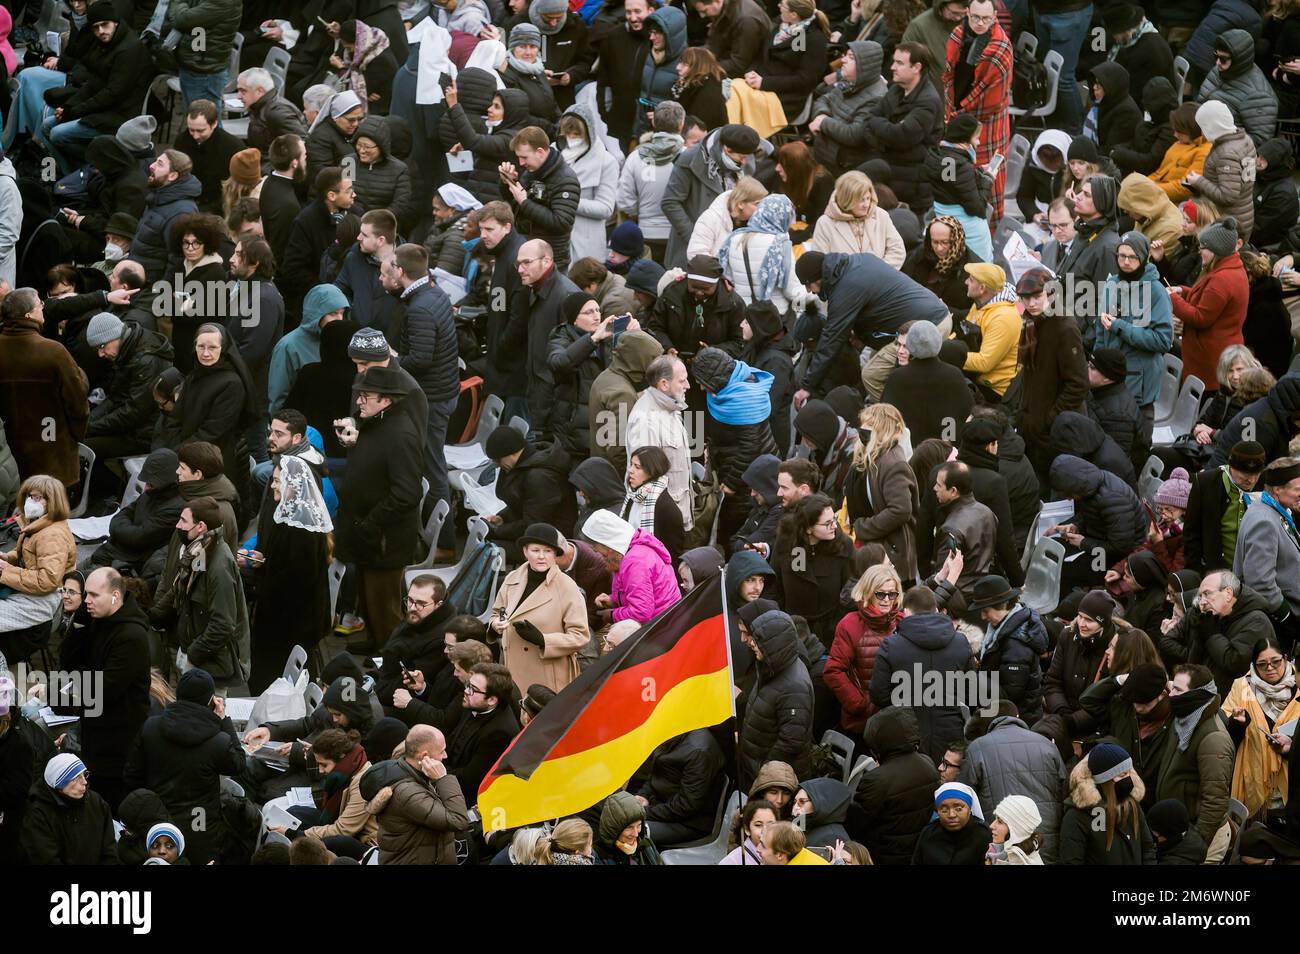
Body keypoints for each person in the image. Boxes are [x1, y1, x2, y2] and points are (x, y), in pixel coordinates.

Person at [335, 366, 424, 646]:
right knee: (369, 597)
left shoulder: (400, 434)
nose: (359, 401)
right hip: (368, 535)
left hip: (385, 539)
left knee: (384, 605)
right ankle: (376, 641)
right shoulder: (379, 423)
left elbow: (407, 493)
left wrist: (371, 522)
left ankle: (389, 657)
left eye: (366, 396)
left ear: (386, 400)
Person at [122, 667, 243, 865]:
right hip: (200, 822)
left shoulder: (151, 727)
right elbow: (238, 764)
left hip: (159, 817)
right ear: (211, 701)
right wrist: (223, 720)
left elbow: (132, 775)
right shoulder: (218, 741)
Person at [244, 456, 333, 694]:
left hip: (289, 624)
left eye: (277, 481)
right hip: (284, 618)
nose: (272, 486)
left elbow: (296, 580)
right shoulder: (290, 515)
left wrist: (264, 570)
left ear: (293, 485)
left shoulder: (300, 528)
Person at [38, 2, 150, 173]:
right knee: (46, 125)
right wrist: (69, 107)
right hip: (100, 109)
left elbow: (112, 94)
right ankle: (71, 174)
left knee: (57, 134)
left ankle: (97, 168)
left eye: (105, 25)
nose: (101, 31)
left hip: (119, 114)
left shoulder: (129, 49)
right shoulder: (104, 44)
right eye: (96, 27)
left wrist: (75, 111)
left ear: (115, 22)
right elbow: (93, 83)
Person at [870, 585, 972, 762]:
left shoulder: (891, 646)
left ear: (907, 611)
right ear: (937, 609)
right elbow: (971, 690)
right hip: (951, 733)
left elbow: (879, 695)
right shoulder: (961, 642)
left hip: (906, 735)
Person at [1088, 233, 1176, 441]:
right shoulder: (1112, 284)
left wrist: (1121, 327)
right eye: (1121, 255)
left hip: (1138, 388)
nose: (1126, 261)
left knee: (1135, 449)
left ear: (1144, 258)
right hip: (1108, 383)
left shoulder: (1156, 292)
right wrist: (1096, 364)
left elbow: (1163, 340)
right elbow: (1102, 328)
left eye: (1132, 257)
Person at [0, 288, 89, 487]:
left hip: (9, 453)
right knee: (52, 511)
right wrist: (76, 434)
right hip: (52, 452)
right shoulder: (53, 351)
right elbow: (77, 400)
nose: (43, 307)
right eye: (39, 303)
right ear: (29, 315)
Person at [489, 523, 590, 694]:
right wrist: (495, 624)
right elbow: (496, 613)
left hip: (547, 676)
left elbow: (580, 636)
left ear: (555, 554)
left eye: (548, 551)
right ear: (525, 551)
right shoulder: (512, 578)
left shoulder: (567, 587)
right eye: (536, 550)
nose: (542, 556)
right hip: (511, 669)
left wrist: (543, 640)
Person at [960, 705, 1064, 862]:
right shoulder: (1046, 744)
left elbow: (964, 798)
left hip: (1001, 841)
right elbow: (1064, 789)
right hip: (1044, 839)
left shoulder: (977, 748)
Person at [662, 124, 773, 268]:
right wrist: (697, 236)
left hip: (726, 251)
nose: (745, 162)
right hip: (690, 251)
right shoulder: (690, 160)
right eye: (742, 157)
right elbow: (670, 203)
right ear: (727, 149)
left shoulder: (741, 153)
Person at [940, 0, 1010, 221]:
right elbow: (949, 74)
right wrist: (954, 110)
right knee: (954, 176)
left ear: (995, 17)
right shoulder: (957, 35)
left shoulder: (1000, 48)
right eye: (975, 17)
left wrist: (958, 116)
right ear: (967, 13)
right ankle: (952, 221)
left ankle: (987, 229)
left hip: (986, 124)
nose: (980, 23)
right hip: (957, 112)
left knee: (987, 179)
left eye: (986, 18)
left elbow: (992, 101)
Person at [367, 724, 470, 865]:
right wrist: (443, 779)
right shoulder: (408, 793)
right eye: (442, 751)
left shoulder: (416, 774)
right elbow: (458, 820)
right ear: (425, 756)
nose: (445, 756)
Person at [82, 311, 175, 465]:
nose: (100, 354)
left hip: (144, 435)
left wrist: (91, 427)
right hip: (133, 427)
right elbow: (116, 397)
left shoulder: (146, 360)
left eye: (102, 346)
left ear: (116, 336)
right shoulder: (128, 349)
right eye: (96, 349)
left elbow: (133, 412)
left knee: (85, 448)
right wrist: (88, 421)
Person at [1169, 217, 1250, 391]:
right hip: (1218, 352)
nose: (1199, 251)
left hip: (1209, 359)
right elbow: (1209, 301)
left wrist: (1173, 299)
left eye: (1203, 248)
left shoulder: (1221, 280)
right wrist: (1183, 291)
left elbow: (1200, 317)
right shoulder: (1231, 268)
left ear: (1216, 250)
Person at [1048, 455, 1149, 590]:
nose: (1068, 498)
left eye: (1069, 494)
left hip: (1116, 558)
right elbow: (1093, 516)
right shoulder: (1091, 486)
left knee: (1065, 570)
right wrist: (1076, 526)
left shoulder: (1114, 499)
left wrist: (1083, 543)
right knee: (1052, 550)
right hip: (1101, 540)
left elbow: (1120, 547)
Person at [737, 609, 814, 787]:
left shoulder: (795, 687)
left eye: (758, 640)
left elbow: (790, 742)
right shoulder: (771, 666)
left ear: (775, 644)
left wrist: (764, 774)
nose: (752, 644)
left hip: (773, 783)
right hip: (757, 771)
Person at [824, 563, 902, 735]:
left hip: (898, 721)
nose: (887, 600)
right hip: (863, 724)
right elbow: (833, 671)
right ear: (867, 592)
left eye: (892, 594)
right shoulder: (850, 624)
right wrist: (860, 704)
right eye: (881, 594)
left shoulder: (903, 622)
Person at [1233, 460, 1300, 653]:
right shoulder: (1264, 521)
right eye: (1297, 489)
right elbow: (1260, 582)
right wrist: (1286, 615)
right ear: (1277, 490)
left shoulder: (1272, 509)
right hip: (1277, 622)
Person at [968, 575, 1051, 723]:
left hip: (1016, 722)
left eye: (986, 611)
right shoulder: (1001, 628)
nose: (982, 616)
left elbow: (1007, 698)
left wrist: (972, 674)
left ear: (1003, 605)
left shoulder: (1017, 645)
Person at [1058, 742, 1157, 864]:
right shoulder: (1077, 816)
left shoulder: (1131, 804)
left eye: (1129, 773)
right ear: (1105, 780)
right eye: (1123, 775)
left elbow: (1147, 848)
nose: (1129, 779)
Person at [482, 426, 578, 550]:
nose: (498, 465)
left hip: (553, 542)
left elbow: (533, 524)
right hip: (541, 533)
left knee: (488, 549)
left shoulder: (539, 476)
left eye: (498, 460)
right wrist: (502, 518)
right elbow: (525, 503)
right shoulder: (528, 462)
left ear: (510, 453)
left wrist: (497, 531)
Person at [880, 321, 974, 445]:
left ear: (911, 345)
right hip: (945, 450)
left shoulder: (897, 378)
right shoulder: (953, 375)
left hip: (908, 452)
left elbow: (885, 415)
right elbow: (967, 412)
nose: (901, 350)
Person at [269, 284, 351, 418]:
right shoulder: (288, 346)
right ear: (316, 314)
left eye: (342, 313)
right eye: (333, 313)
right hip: (302, 430)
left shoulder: (342, 342)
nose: (340, 319)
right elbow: (279, 397)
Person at [635, 728, 727, 847]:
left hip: (689, 823)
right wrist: (644, 795)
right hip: (662, 806)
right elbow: (656, 772)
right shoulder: (670, 731)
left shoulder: (699, 752)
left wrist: (644, 812)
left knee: (628, 831)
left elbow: (685, 806)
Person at [1185, 440, 1266, 575]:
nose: (1251, 481)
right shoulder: (1206, 483)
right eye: (1245, 476)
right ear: (1231, 467)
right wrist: (1196, 571)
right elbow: (1191, 533)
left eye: (1256, 475)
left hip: (1254, 572)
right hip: (1216, 572)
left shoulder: (1265, 485)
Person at [20, 754, 117, 865]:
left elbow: (109, 850)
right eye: (76, 778)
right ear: (59, 784)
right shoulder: (38, 814)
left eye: (84, 775)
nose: (84, 781)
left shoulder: (97, 803)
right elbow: (46, 859)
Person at [809, 40, 890, 173]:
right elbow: (823, 100)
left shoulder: (877, 97)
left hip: (843, 165)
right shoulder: (848, 81)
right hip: (823, 153)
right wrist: (821, 115)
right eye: (846, 55)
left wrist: (823, 122)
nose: (844, 60)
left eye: (851, 57)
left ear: (865, 65)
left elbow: (854, 134)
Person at [130, 150, 203, 284]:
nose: (151, 166)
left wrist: (161, 292)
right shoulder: (158, 198)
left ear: (172, 176)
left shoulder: (181, 213)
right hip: (139, 276)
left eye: (160, 164)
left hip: (150, 285)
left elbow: (178, 260)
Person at [1196, 29, 1279, 146]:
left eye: (1223, 59)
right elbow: (1200, 102)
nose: (1217, 62)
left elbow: (1259, 140)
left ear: (1238, 60)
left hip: (1224, 149)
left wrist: (1222, 141)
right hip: (1202, 134)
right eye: (1216, 56)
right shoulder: (1221, 70)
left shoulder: (1258, 95)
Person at [1186, 101, 1257, 236]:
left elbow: (1228, 196)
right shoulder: (1245, 139)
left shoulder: (1227, 153)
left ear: (1212, 126)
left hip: (1228, 223)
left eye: (1203, 126)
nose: (1202, 131)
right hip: (1244, 214)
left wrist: (1199, 181)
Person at [807, 171, 905, 267]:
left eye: (868, 198)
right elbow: (820, 263)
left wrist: (878, 273)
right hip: (843, 283)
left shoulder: (881, 215)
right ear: (846, 199)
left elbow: (897, 250)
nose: (866, 204)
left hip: (880, 281)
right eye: (861, 200)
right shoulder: (825, 223)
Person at [926, 461, 997, 594]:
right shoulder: (988, 513)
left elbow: (943, 575)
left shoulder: (950, 529)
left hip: (959, 598)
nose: (934, 488)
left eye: (939, 485)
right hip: (984, 592)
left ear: (953, 491)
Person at [621, 446, 685, 563]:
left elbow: (673, 555)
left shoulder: (666, 508)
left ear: (652, 471)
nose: (630, 470)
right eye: (631, 464)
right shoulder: (632, 496)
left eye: (637, 467)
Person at [911, 781, 993, 864]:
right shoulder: (929, 833)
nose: (951, 815)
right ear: (938, 811)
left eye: (958, 809)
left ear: (969, 809)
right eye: (944, 810)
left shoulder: (984, 835)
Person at [692, 0, 773, 77]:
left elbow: (739, 64)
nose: (702, 16)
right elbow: (714, 43)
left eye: (704, 11)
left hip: (753, 70)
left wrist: (705, 68)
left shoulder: (746, 21)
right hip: (732, 55)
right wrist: (695, 58)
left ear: (717, 1)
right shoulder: (723, 9)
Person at [238, 67, 308, 155]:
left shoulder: (278, 113)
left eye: (243, 91)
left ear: (260, 91)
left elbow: (300, 146)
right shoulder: (258, 107)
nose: (239, 96)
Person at [594, 790, 662, 865]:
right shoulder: (599, 856)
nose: (636, 834)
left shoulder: (646, 844)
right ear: (613, 828)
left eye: (639, 825)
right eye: (629, 827)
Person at [985, 794, 1045, 865]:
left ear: (1016, 830)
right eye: (995, 819)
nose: (991, 826)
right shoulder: (997, 852)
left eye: (1000, 821)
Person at [1148, 798, 1209, 864]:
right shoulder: (1190, 837)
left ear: (1170, 835)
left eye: (1156, 835)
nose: (1153, 839)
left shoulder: (1172, 862)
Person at [719, 798, 779, 864]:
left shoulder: (783, 854)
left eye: (771, 824)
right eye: (758, 825)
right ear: (747, 830)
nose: (765, 830)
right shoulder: (731, 861)